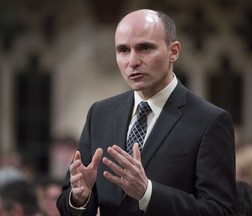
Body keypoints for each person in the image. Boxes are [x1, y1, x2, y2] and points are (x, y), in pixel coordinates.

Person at [57, 9, 236, 216]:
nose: (132, 61)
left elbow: (220, 210)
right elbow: (67, 203)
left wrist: (148, 193)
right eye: (123, 50)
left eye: (144, 48)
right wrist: (80, 197)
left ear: (174, 51)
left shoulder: (210, 120)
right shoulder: (100, 113)